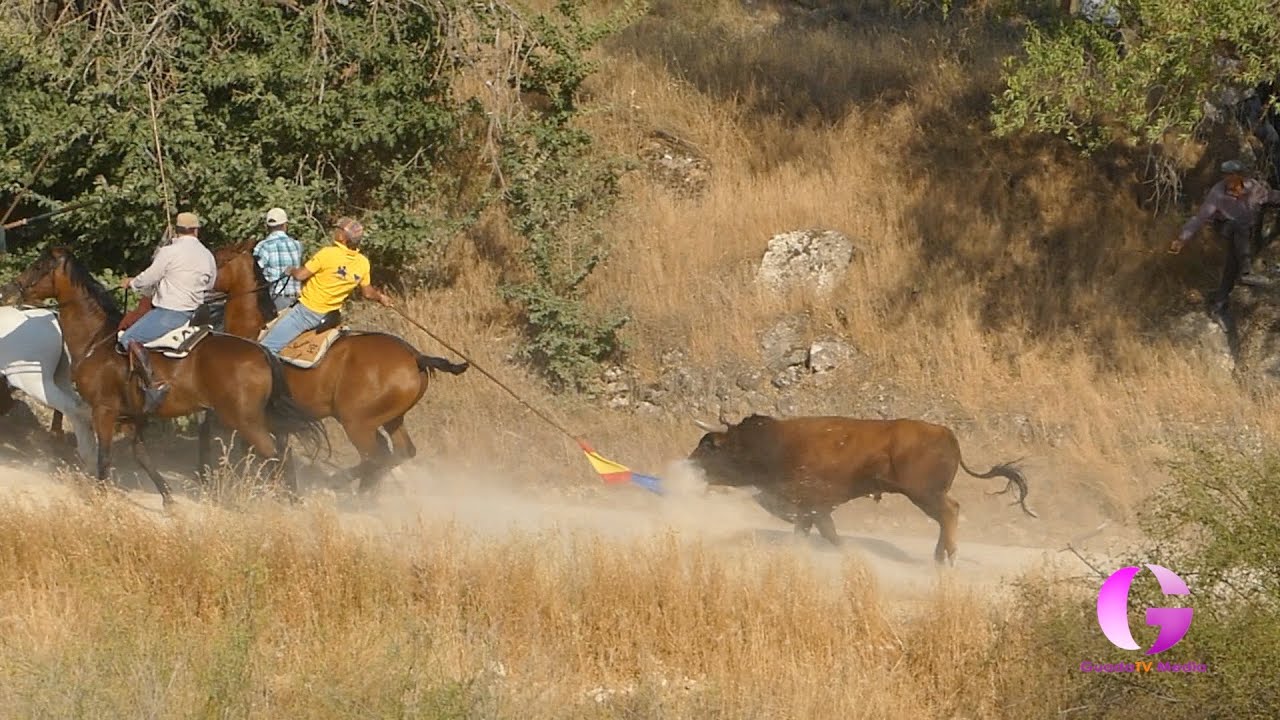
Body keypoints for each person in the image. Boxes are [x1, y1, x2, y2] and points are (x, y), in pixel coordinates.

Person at [118, 211, 218, 414]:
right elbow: (211, 284)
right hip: (199, 314)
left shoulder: (169, 252)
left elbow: (150, 277)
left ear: (177, 230)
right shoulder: (207, 254)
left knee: (128, 337)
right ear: (196, 230)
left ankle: (153, 385)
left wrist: (132, 283)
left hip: (170, 313)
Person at [259, 216, 395, 356]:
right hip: (332, 315)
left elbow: (301, 276)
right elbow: (367, 292)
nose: (334, 232)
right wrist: (381, 297)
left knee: (266, 349)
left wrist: (291, 270)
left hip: (306, 312)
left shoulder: (327, 253)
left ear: (342, 237)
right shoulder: (363, 262)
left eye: (337, 229)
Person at [1170, 160, 1280, 318]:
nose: (1228, 179)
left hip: (1246, 232)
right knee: (1237, 227)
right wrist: (1182, 239)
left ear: (1241, 176)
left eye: (1232, 176)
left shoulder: (1254, 188)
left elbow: (1271, 197)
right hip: (1225, 227)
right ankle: (1246, 273)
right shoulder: (1218, 192)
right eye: (1225, 175)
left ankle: (1219, 304)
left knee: (1232, 262)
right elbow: (1200, 217)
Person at [253, 207, 304, 312]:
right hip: (298, 296)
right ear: (285, 225)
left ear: (267, 226)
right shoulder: (297, 245)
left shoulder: (262, 246)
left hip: (277, 297)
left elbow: (256, 273)